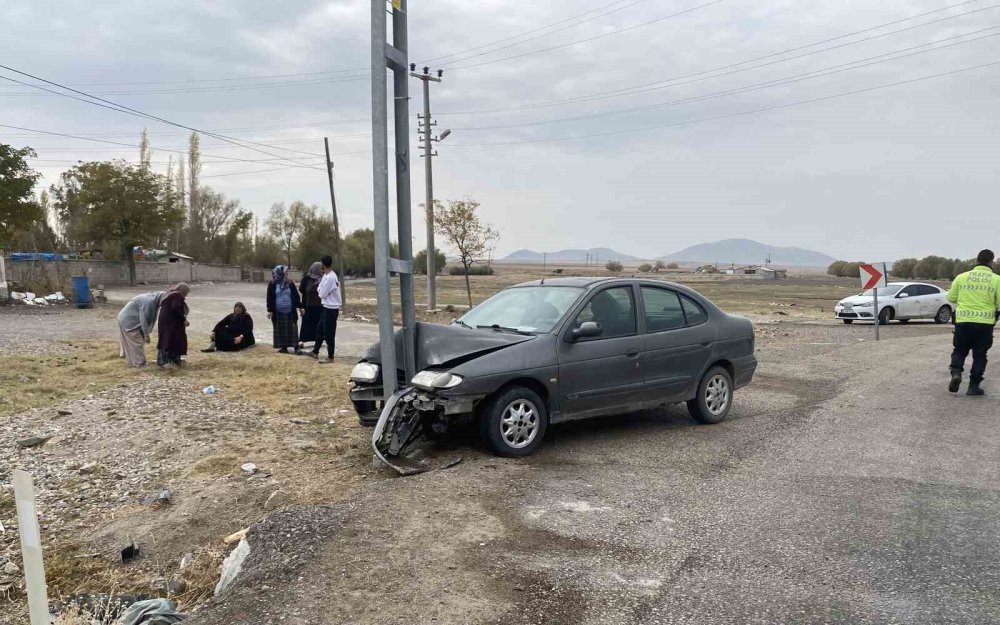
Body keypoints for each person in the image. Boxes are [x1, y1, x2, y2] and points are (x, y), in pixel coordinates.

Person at [947, 249, 1000, 396]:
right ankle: (973, 386)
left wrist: (966, 300)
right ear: (991, 262)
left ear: (976, 261)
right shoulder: (996, 279)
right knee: (980, 355)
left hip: (963, 321)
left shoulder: (962, 277)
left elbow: (951, 298)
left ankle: (956, 372)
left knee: (959, 350)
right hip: (984, 323)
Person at [117, 290, 165, 367]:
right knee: (137, 342)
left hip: (126, 317)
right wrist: (146, 335)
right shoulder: (148, 302)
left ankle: (133, 361)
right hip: (129, 320)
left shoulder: (153, 299)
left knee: (133, 341)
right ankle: (140, 363)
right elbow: (144, 319)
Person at [310, 255, 342, 364]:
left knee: (329, 333)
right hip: (326, 307)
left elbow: (322, 294)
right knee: (320, 329)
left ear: (323, 264)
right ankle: (315, 351)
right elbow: (320, 287)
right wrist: (320, 290)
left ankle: (330, 356)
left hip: (331, 308)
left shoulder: (331, 278)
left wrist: (320, 290)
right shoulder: (326, 275)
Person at [267, 265, 302, 354]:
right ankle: (284, 348)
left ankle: (296, 348)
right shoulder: (272, 284)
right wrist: (270, 310)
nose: (287, 273)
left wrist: (300, 307)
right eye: (285, 272)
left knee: (293, 329)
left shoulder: (290, 283)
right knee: (281, 330)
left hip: (290, 311)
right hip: (278, 312)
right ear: (280, 273)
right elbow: (270, 298)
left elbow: (296, 296)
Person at [156, 283, 190, 367]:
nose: (186, 295)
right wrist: (183, 319)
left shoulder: (169, 294)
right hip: (171, 323)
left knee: (165, 339)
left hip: (164, 321)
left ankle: (162, 361)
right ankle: (171, 361)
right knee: (173, 340)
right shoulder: (177, 295)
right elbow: (176, 307)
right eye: (186, 292)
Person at [298, 262, 323, 349]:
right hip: (307, 306)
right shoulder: (306, 279)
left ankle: (318, 340)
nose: (322, 270)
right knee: (306, 323)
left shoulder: (323, 279)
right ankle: (301, 340)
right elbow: (301, 289)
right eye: (320, 268)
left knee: (318, 324)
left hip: (319, 306)